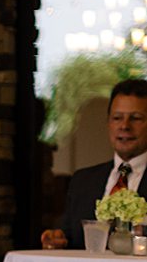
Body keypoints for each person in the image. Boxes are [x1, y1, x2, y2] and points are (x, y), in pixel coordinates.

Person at [42, 79, 147, 249]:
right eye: (117, 118)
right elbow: (68, 238)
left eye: (135, 118)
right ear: (108, 123)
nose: (125, 126)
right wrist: (57, 240)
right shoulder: (82, 181)